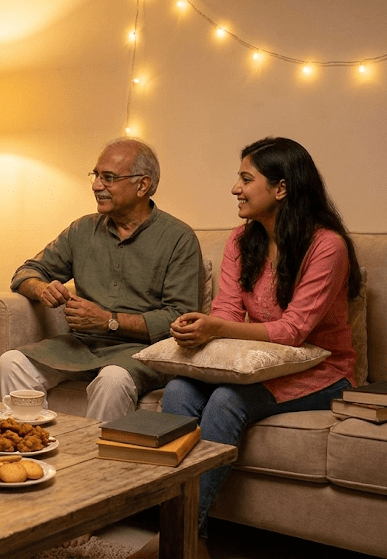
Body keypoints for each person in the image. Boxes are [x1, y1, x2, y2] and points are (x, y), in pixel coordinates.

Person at [137, 137, 360, 558]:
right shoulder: (242, 240)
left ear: (281, 188)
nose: (234, 188)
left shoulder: (326, 246)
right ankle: (185, 536)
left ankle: (179, 539)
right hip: (258, 365)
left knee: (225, 401)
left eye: (245, 178)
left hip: (323, 371)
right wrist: (202, 326)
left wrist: (218, 328)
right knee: (180, 391)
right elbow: (225, 308)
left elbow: (294, 330)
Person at [0, 138, 204, 422]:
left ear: (142, 185)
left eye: (108, 178)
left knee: (112, 380)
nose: (96, 185)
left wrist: (109, 320)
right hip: (81, 346)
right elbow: (25, 273)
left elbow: (181, 316)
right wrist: (43, 288)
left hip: (141, 354)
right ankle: (31, 452)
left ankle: (97, 465)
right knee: (11, 363)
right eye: (96, 175)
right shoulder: (83, 229)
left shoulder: (179, 238)